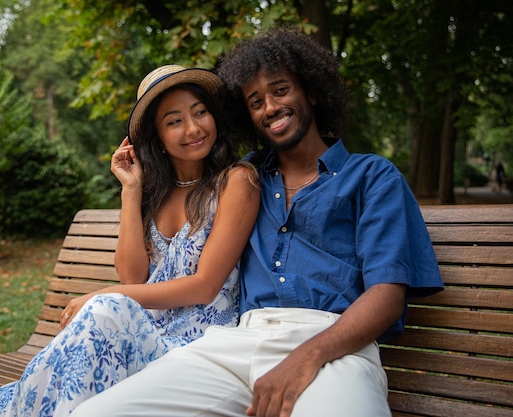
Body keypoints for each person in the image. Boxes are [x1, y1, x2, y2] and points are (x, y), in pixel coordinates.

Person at [71, 27, 444, 417]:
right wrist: (134, 183)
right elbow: (182, 179)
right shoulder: (245, 179)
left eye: (280, 90)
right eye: (255, 101)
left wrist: (306, 357)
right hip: (233, 344)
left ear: (311, 92)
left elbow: (387, 297)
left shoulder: (372, 177)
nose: (269, 107)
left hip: (332, 345)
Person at [0, 64, 260, 417]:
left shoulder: (236, 181)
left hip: (199, 347)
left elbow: (204, 286)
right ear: (157, 138)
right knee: (107, 313)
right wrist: (131, 189)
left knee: (106, 309)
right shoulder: (156, 194)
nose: (193, 128)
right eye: (174, 121)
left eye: (200, 112)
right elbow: (132, 277)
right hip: (145, 336)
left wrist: (101, 294)